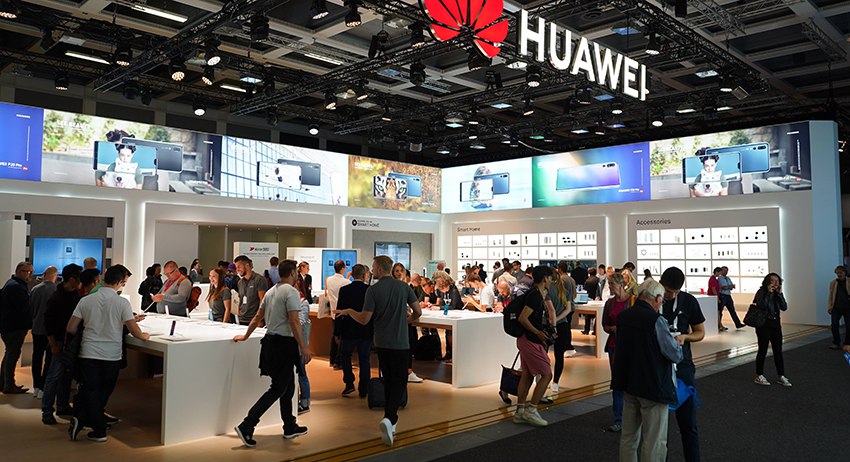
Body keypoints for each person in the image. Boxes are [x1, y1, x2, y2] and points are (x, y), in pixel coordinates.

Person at [334, 255, 422, 447]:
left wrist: (349, 311)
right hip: (400, 343)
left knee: (388, 380)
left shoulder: (373, 290)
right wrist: (407, 321)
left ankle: (391, 422)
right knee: (399, 381)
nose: (372, 270)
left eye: (373, 267)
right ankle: (390, 417)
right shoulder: (403, 287)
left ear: (381, 269)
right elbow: (418, 312)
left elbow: (364, 319)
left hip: (382, 343)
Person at [66, 265, 149, 442]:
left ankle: (85, 419)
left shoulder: (86, 300)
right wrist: (144, 336)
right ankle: (97, 428)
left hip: (88, 352)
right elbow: (135, 331)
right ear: (119, 282)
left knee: (91, 390)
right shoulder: (121, 303)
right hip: (111, 355)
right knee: (103, 391)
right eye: (124, 283)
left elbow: (71, 328)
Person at [233, 260, 310, 448]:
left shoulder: (270, 291)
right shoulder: (291, 292)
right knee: (278, 388)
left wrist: (246, 336)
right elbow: (294, 321)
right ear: (292, 274)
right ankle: (247, 424)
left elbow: (257, 317)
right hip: (284, 345)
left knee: (288, 387)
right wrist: (304, 347)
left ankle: (289, 426)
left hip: (270, 343)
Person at [612, 279, 683, 462]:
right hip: (653, 385)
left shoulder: (624, 316)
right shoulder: (656, 320)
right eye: (662, 300)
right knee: (654, 440)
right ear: (657, 298)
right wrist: (677, 344)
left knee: (628, 437)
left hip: (629, 383)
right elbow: (674, 354)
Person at [659, 267, 706, 462]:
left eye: (674, 292)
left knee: (688, 423)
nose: (670, 296)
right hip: (658, 368)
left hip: (683, 367)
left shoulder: (689, 301)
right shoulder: (653, 300)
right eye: (667, 291)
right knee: (658, 427)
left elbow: (700, 332)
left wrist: (685, 337)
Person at [511, 266, 555, 427]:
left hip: (526, 339)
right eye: (550, 278)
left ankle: (520, 412)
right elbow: (523, 318)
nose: (551, 281)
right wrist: (538, 333)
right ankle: (531, 410)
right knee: (546, 374)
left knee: (527, 375)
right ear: (545, 278)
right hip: (529, 340)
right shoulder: (535, 296)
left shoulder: (535, 294)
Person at [41, 264, 82, 425]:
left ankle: (62, 405)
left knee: (66, 375)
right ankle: (47, 410)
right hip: (58, 341)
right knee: (53, 376)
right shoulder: (56, 298)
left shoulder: (75, 295)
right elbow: (48, 324)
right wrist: (53, 345)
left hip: (70, 341)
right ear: (72, 279)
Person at [337, 264, 373, 398]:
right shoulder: (369, 290)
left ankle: (349, 383)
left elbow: (339, 312)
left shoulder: (344, 290)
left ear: (352, 275)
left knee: (345, 356)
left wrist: (337, 332)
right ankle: (364, 388)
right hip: (365, 329)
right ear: (364, 275)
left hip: (348, 330)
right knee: (364, 359)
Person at [601, 272, 631, 433]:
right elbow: (605, 325)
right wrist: (614, 329)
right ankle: (618, 419)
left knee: (631, 381)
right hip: (614, 345)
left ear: (621, 284)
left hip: (630, 346)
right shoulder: (610, 303)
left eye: (612, 283)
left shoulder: (632, 301)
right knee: (618, 382)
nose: (610, 286)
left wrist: (620, 328)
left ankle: (632, 418)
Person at [753, 272, 791, 387]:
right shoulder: (761, 292)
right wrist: (769, 293)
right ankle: (759, 375)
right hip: (763, 325)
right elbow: (762, 305)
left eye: (777, 281)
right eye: (773, 280)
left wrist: (780, 294)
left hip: (775, 325)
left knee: (778, 351)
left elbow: (784, 307)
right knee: (763, 350)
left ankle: (781, 375)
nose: (775, 283)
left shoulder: (777, 293)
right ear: (767, 282)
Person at [1, 262, 33, 394]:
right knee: (12, 355)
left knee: (9, 354)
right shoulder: (16, 287)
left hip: (9, 326)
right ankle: (8, 385)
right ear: (19, 271)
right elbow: (23, 308)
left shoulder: (12, 284)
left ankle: (4, 383)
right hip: (14, 327)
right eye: (27, 272)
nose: (30, 275)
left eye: (31, 272)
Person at [30, 266, 59, 399]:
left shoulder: (35, 289)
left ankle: (36, 386)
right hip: (50, 330)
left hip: (36, 328)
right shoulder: (56, 291)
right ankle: (43, 387)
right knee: (49, 359)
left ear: (45, 274)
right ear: (55, 276)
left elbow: (31, 309)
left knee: (36, 356)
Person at [546, 267, 573, 393]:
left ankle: (544, 379)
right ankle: (555, 382)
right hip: (563, 325)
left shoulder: (546, 291)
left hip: (548, 326)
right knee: (559, 355)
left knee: (544, 354)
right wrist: (558, 319)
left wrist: (553, 321)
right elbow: (568, 309)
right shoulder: (564, 291)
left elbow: (550, 310)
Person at [398, 263, 426, 380]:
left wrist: (408, 318)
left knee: (410, 343)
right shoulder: (399, 288)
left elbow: (414, 308)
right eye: (396, 271)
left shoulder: (407, 288)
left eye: (401, 271)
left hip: (405, 321)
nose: (399, 273)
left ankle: (408, 371)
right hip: (398, 321)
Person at [326, 260, 351, 370]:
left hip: (333, 312)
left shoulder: (329, 280)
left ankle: (332, 359)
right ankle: (338, 361)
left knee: (334, 335)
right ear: (342, 269)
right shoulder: (346, 282)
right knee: (342, 337)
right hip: (343, 312)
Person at [434, 271, 462, 363]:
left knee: (451, 334)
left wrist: (440, 308)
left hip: (457, 316)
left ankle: (454, 355)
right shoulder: (443, 292)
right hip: (448, 315)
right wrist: (436, 306)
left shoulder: (454, 291)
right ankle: (448, 354)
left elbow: (453, 306)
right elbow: (442, 303)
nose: (442, 291)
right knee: (447, 333)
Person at [294, 278, 312, 414]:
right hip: (293, 343)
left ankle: (305, 401)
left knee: (301, 373)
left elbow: (300, 322)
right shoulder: (293, 302)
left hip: (299, 345)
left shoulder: (303, 303)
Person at [234, 255, 268, 326]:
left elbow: (262, 300)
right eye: (236, 267)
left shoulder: (259, 279)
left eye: (239, 267)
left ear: (247, 265)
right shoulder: (240, 282)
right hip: (241, 319)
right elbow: (240, 300)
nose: (237, 270)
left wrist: (259, 319)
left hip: (254, 320)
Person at [827, 265, 850, 350]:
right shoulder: (833, 283)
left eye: (841, 272)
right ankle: (836, 342)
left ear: (845, 273)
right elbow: (830, 296)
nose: (839, 274)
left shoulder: (849, 281)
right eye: (837, 273)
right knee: (834, 325)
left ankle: (847, 343)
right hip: (836, 307)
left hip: (848, 307)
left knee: (849, 325)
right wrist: (830, 306)